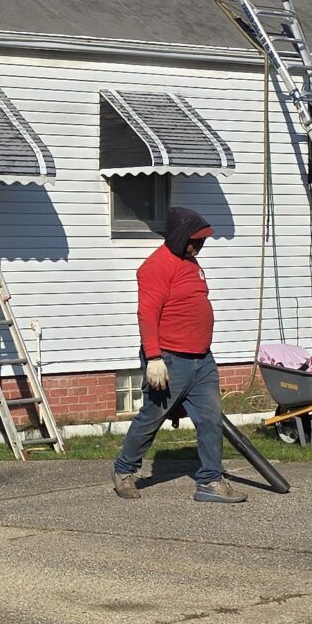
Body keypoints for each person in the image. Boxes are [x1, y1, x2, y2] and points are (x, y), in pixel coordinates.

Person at [112, 206, 244, 505]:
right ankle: (123, 471)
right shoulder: (156, 267)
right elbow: (146, 313)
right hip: (170, 359)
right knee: (151, 418)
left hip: (202, 359)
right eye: (194, 240)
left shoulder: (191, 263)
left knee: (210, 420)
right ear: (178, 236)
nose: (199, 245)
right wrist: (154, 358)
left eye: (202, 241)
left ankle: (211, 481)